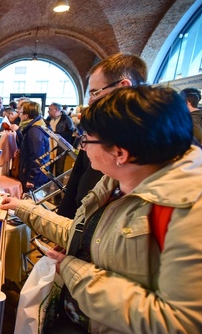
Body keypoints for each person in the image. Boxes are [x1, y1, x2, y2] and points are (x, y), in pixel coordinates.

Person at [1, 86, 202, 334]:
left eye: (87, 140)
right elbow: (84, 234)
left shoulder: (191, 211)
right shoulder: (117, 183)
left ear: (120, 153)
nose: (82, 147)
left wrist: (73, 270)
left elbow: (184, 327)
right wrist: (24, 208)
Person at [56, 52, 148, 219]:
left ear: (123, 87)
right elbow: (78, 176)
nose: (91, 101)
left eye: (95, 92)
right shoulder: (99, 127)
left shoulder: (143, 137)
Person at [17, 101, 50, 191]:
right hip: (37, 175)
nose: (19, 115)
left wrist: (31, 178)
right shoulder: (35, 127)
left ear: (26, 115)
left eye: (20, 112)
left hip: (35, 178)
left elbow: (37, 157)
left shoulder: (34, 131)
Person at [46, 102, 74, 177]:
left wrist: (57, 134)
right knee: (49, 168)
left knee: (59, 168)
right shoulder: (48, 119)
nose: (48, 111)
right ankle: (47, 186)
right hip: (50, 147)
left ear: (56, 110)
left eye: (50, 109)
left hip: (61, 147)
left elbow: (71, 132)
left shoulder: (66, 119)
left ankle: (58, 187)